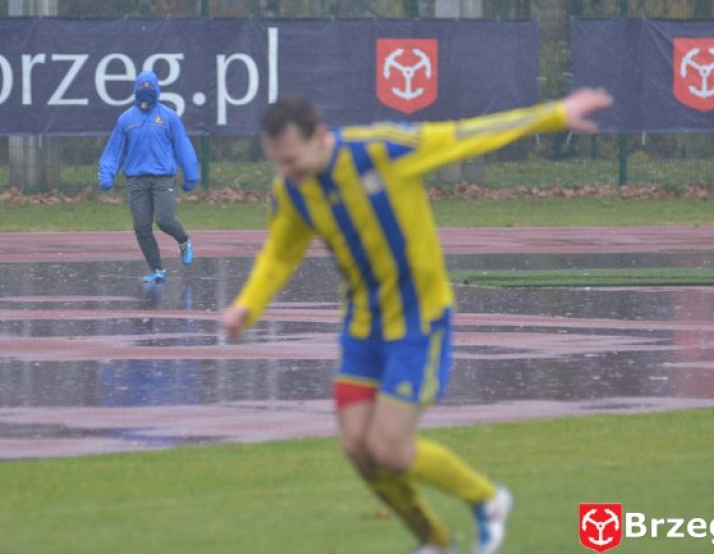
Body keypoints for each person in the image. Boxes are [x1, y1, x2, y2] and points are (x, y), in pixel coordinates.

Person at [221, 88, 613, 554]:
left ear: (320, 136)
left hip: (418, 323)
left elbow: (467, 135)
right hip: (362, 330)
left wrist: (552, 115)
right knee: (358, 450)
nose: (287, 172)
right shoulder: (291, 190)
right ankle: (435, 543)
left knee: (388, 448)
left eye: (292, 161)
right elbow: (281, 253)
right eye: (278, 163)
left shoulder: (381, 151)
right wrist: (247, 305)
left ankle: (487, 500)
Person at [98, 70, 199, 283]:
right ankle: (157, 270)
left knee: (165, 220)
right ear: (136, 89)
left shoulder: (169, 117)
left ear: (157, 89)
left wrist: (191, 175)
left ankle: (183, 241)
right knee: (142, 226)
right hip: (136, 180)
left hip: (163, 179)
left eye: (150, 86)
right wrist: (107, 173)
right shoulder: (126, 119)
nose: (146, 90)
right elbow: (115, 150)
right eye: (142, 86)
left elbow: (182, 145)